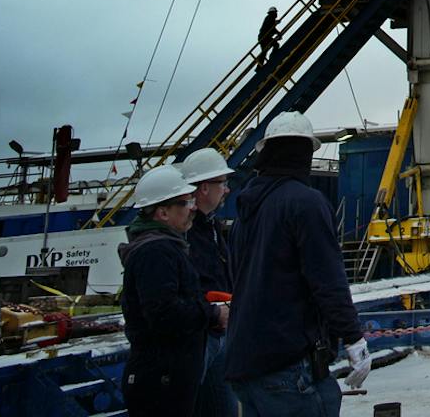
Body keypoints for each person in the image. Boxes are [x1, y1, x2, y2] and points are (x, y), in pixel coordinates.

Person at [221, 112, 369, 417]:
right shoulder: (306, 203)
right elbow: (328, 280)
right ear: (305, 153)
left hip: (244, 364)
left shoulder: (245, 212)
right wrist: (353, 338)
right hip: (287, 366)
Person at [120, 167, 216, 417]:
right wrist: (213, 315)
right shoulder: (156, 252)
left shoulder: (164, 247)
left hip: (167, 377)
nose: (192, 208)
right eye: (185, 203)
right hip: (161, 381)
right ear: (162, 212)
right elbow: (164, 314)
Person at [176, 148, 238, 417]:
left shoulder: (210, 226)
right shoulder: (185, 233)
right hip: (199, 335)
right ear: (203, 188)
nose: (226, 190)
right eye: (221, 184)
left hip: (217, 332)